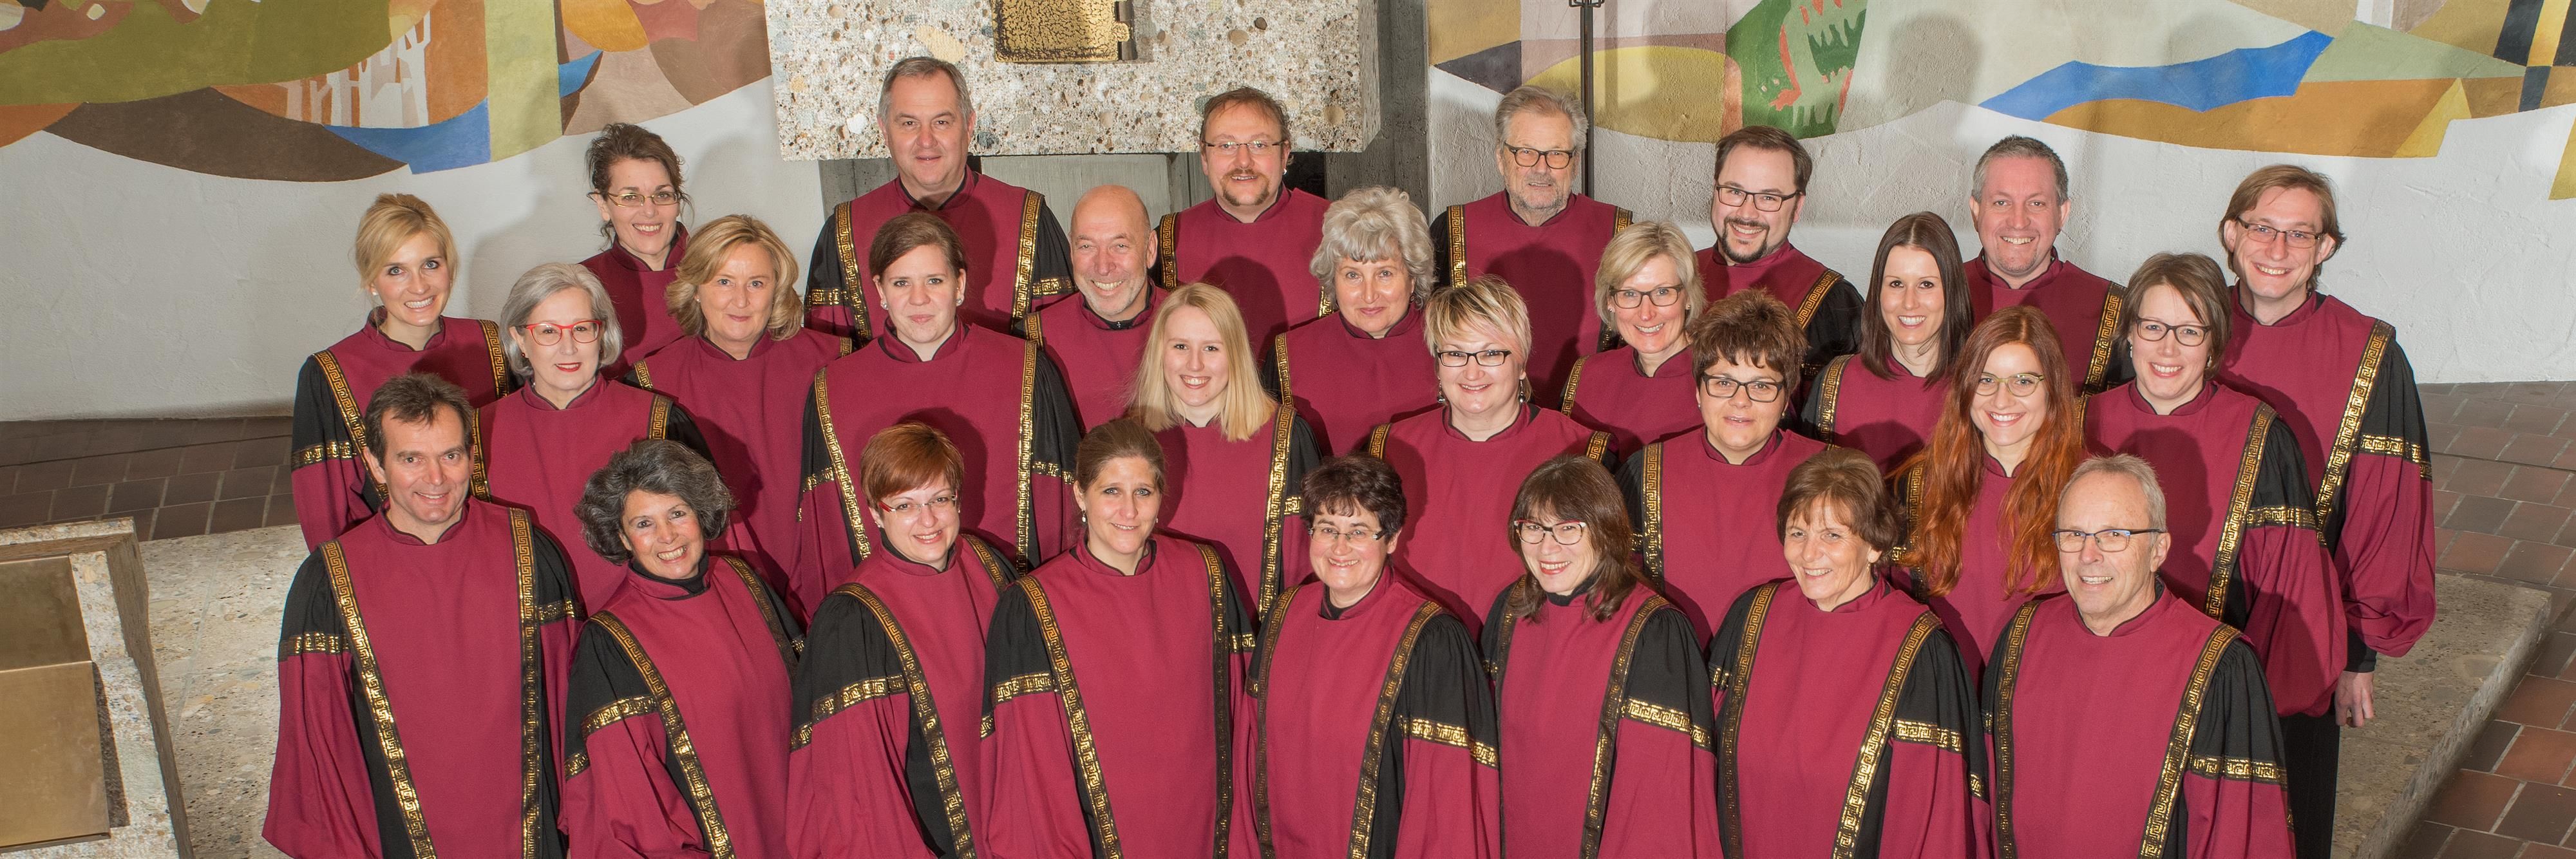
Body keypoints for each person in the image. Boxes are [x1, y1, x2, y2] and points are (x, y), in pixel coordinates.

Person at [2211, 164, 2433, 859]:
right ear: (2230, 233)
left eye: (2298, 233)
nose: (2276, 250)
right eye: (2262, 228)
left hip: (2303, 621)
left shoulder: (2370, 353)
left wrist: (2357, 652)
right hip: (2188, 604)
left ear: (2325, 247)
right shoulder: (2184, 324)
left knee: (2288, 814)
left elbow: (2385, 512)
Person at [267, 373, 580, 858]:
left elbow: (566, 704)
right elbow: (318, 744)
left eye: (450, 455)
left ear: (472, 457)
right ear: (375, 463)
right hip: (397, 835)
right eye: (411, 458)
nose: (436, 480)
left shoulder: (531, 551)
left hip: (529, 830)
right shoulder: (328, 582)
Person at [1986, 455, 2295, 857]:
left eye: (2114, 534)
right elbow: (1985, 799)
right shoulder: (2022, 637)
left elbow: (2242, 834)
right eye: (2074, 534)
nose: (2089, 555)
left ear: (2158, 549)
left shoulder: (2220, 666)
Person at [2087, 252, 2343, 734]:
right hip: (2097, 681)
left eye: (2189, 331)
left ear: (2214, 344)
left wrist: (2244, 702)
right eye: (2153, 328)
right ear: (2128, 333)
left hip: (2213, 697)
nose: (2167, 350)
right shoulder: (2081, 423)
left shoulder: (2259, 435)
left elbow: (2289, 583)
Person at [979, 420, 1258, 858]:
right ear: (1079, 494)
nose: (1128, 511)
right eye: (1111, 491)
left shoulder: (1205, 572)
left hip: (1204, 831)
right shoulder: (1032, 606)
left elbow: (1244, 719)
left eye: (1143, 492)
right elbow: (1030, 772)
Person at [1707, 448, 1984, 858]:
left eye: (1833, 535)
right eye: (1798, 533)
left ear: (1875, 545)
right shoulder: (1751, 615)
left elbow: (1929, 815)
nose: (1809, 554)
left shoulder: (1922, 648)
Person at [797, 212, 1081, 605]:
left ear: (960, 283)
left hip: (1011, 603)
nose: (919, 299)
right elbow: (824, 527)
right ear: (878, 289)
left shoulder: (1025, 368)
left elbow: (1059, 503)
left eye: (935, 280)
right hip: (887, 614)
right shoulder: (832, 388)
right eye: (901, 283)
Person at [1237, 455, 1499, 858]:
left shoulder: (1432, 640)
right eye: (1327, 529)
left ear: (1392, 539)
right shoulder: (1284, 615)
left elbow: (1443, 803)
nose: (1340, 549)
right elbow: (1249, 752)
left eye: (1359, 531)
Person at [560, 440, 802, 858]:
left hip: (799, 835)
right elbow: (630, 802)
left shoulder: (744, 582)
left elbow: (805, 708)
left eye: (677, 513)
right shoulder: (611, 641)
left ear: (699, 513)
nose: (667, 536)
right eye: (644, 523)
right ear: (621, 536)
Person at [788, 424, 1018, 858]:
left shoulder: (988, 567)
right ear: (876, 513)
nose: (928, 520)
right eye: (906, 505)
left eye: (940, 499)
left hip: (1009, 828)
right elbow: (858, 795)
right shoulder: (854, 620)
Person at [1484, 457, 1719, 857]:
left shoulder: (1654, 631)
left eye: (1568, 529)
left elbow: (1657, 799)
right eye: (1533, 529)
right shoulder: (1509, 611)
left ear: (1606, 533)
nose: (1548, 547)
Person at [1367, 276, 1611, 628]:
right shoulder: (1388, 449)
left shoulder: (1584, 451)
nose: (1472, 370)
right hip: (1418, 654)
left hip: (1536, 651)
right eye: (1454, 354)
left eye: (1492, 353)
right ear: (1437, 365)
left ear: (1522, 361)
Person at [628, 214, 852, 590]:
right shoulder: (651, 384)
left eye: (757, 283)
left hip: (828, 564)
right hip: (721, 579)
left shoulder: (834, 361)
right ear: (696, 288)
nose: (741, 300)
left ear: (777, 291)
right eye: (724, 282)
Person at [478, 263, 711, 610]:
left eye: (582, 328)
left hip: (648, 624)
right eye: (548, 332)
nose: (568, 348)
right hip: (532, 638)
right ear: (519, 339)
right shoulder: (477, 433)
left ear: (603, 335)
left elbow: (700, 543)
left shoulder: (660, 421)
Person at [291, 193, 513, 551]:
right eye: (396, 270)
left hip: (492, 548)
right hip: (394, 561)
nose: (419, 286)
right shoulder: (331, 373)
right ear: (371, 282)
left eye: (431, 264)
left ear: (450, 268)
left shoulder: (489, 343)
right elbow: (326, 508)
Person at [804, 57, 1071, 339]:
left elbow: (1058, 344)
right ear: (884, 130)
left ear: (969, 126)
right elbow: (831, 362)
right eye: (909, 123)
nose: (926, 140)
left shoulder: (1028, 218)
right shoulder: (844, 230)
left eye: (941, 122)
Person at [1616, 290, 1830, 638]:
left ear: (1787, 394)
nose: (1740, 402)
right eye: (1724, 382)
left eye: (1761, 386)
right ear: (1699, 391)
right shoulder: (1644, 473)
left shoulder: (1829, 475)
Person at [1895, 307, 2087, 679]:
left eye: (2023, 382)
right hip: (1944, 704)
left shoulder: (2092, 489)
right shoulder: (1916, 484)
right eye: (1986, 380)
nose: (2001, 401)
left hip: (2048, 699)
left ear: (2053, 388)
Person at [1428, 86, 1635, 406]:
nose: (1541, 169)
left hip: (1592, 422)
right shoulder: (1452, 230)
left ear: (1575, 163)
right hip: (1481, 420)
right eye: (1526, 153)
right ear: (1501, 157)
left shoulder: (1621, 235)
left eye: (1556, 154)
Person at [1129, 284, 1321, 616]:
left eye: (1211, 349)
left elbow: (1307, 561)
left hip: (1259, 645)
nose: (1195, 365)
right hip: (1159, 634)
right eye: (1180, 346)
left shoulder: (1287, 436)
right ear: (1159, 352)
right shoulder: (1130, 440)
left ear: (1235, 353)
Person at [1265, 186, 1441, 454]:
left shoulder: (1454, 346)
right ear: (1333, 280)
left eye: (1384, 274)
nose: (1369, 295)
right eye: (1352, 275)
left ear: (1413, 276)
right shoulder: (1287, 355)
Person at [1157, 86, 1331, 345]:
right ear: (1204, 157)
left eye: (1259, 145)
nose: (1243, 162)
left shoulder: (1337, 227)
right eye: (1226, 145)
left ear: (1284, 154)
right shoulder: (1170, 238)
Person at [1803, 212, 1971, 469]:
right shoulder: (1837, 382)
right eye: (1896, 284)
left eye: (1926, 285)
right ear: (1878, 291)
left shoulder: (1981, 388)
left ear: (1952, 291)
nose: (1909, 302)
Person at [1963, 135, 2130, 393]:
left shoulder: (2119, 310)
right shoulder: (1929, 298)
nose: (2018, 221)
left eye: (2036, 203)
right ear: (1976, 212)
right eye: (2001, 203)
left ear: (2062, 214)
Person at [1698, 125, 1863, 377]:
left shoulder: (1834, 304)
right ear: (1715, 190)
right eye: (1734, 191)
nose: (1746, 213)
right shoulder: (1669, 282)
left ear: (1797, 207)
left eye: (1768, 198)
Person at [1559, 221, 1707, 454]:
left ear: (1688, 296)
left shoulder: (1721, 380)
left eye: (1662, 292)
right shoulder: (1586, 375)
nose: (1646, 313)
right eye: (1629, 294)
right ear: (1610, 302)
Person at [1030, 185, 1163, 428]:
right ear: (1071, 251)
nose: (1103, 267)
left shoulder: (1199, 330)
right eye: (1087, 246)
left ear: (1150, 249)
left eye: (1120, 246)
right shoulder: (1032, 340)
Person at [580, 122, 693, 376]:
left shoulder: (720, 271)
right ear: (603, 205)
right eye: (630, 197)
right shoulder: (580, 287)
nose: (650, 211)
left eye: (662, 195)